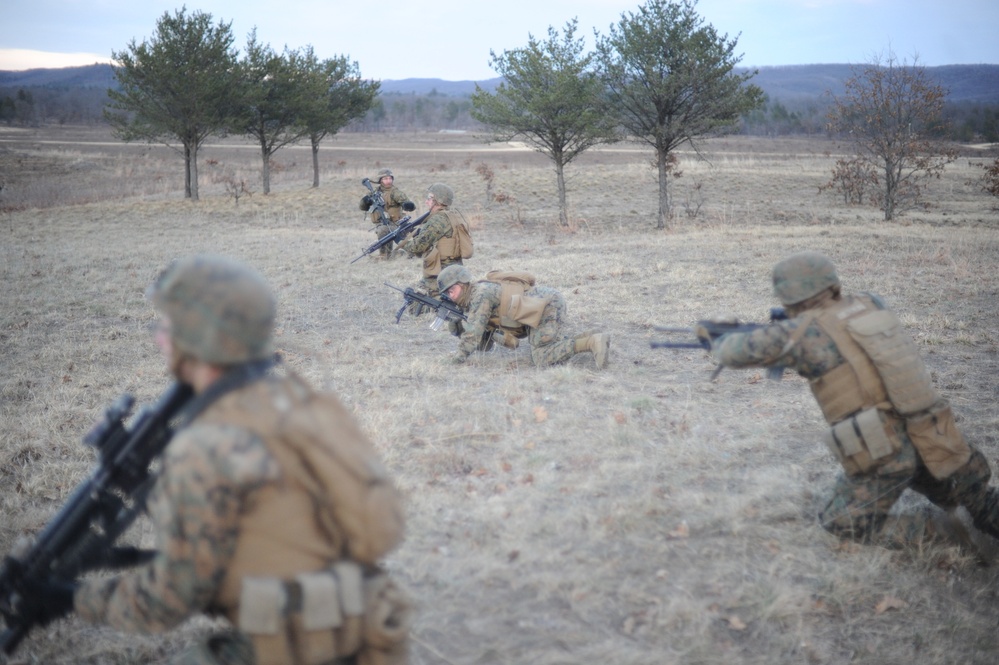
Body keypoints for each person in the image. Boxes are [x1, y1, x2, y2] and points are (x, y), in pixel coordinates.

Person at [33, 255, 411, 665]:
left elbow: (166, 602)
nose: (160, 337)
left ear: (200, 337)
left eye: (169, 325)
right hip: (375, 631)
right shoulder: (306, 402)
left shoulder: (205, 445)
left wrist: (73, 600)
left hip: (302, 650)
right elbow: (276, 538)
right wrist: (128, 558)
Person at [705, 250, 999, 550]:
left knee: (842, 521)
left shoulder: (803, 333)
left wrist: (716, 332)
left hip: (886, 450)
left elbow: (731, 352)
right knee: (978, 499)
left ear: (787, 295)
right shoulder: (871, 305)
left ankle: (941, 535)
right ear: (831, 282)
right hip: (934, 433)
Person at [436, 265, 610, 369]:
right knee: (547, 343)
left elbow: (473, 335)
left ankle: (591, 342)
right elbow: (485, 344)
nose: (451, 296)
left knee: (542, 356)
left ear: (463, 285)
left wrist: (456, 359)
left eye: (452, 290)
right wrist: (455, 321)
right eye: (447, 293)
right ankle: (589, 336)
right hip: (540, 305)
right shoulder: (474, 296)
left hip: (544, 305)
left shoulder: (480, 294)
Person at [396, 183, 473, 297]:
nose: (427, 201)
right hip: (456, 269)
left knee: (413, 300)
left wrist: (400, 241)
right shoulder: (453, 215)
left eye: (429, 198)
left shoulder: (437, 219)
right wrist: (418, 233)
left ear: (437, 201)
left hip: (441, 273)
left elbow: (416, 248)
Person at [360, 168, 415, 259]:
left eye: (390, 178)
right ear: (380, 180)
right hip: (382, 224)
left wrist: (407, 205)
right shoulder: (374, 193)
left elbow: (406, 202)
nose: (389, 181)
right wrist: (365, 201)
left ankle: (400, 253)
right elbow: (363, 207)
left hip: (396, 224)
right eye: (385, 179)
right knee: (383, 230)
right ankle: (385, 255)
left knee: (387, 232)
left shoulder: (396, 192)